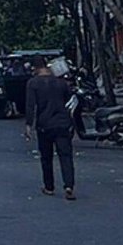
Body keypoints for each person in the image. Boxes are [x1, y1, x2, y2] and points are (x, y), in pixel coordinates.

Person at [24, 55, 77, 199]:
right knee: (65, 156)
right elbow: (70, 101)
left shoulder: (33, 83)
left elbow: (30, 105)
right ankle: (69, 186)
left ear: (34, 68)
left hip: (44, 125)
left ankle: (49, 187)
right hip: (63, 123)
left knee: (46, 157)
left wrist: (29, 125)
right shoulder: (61, 82)